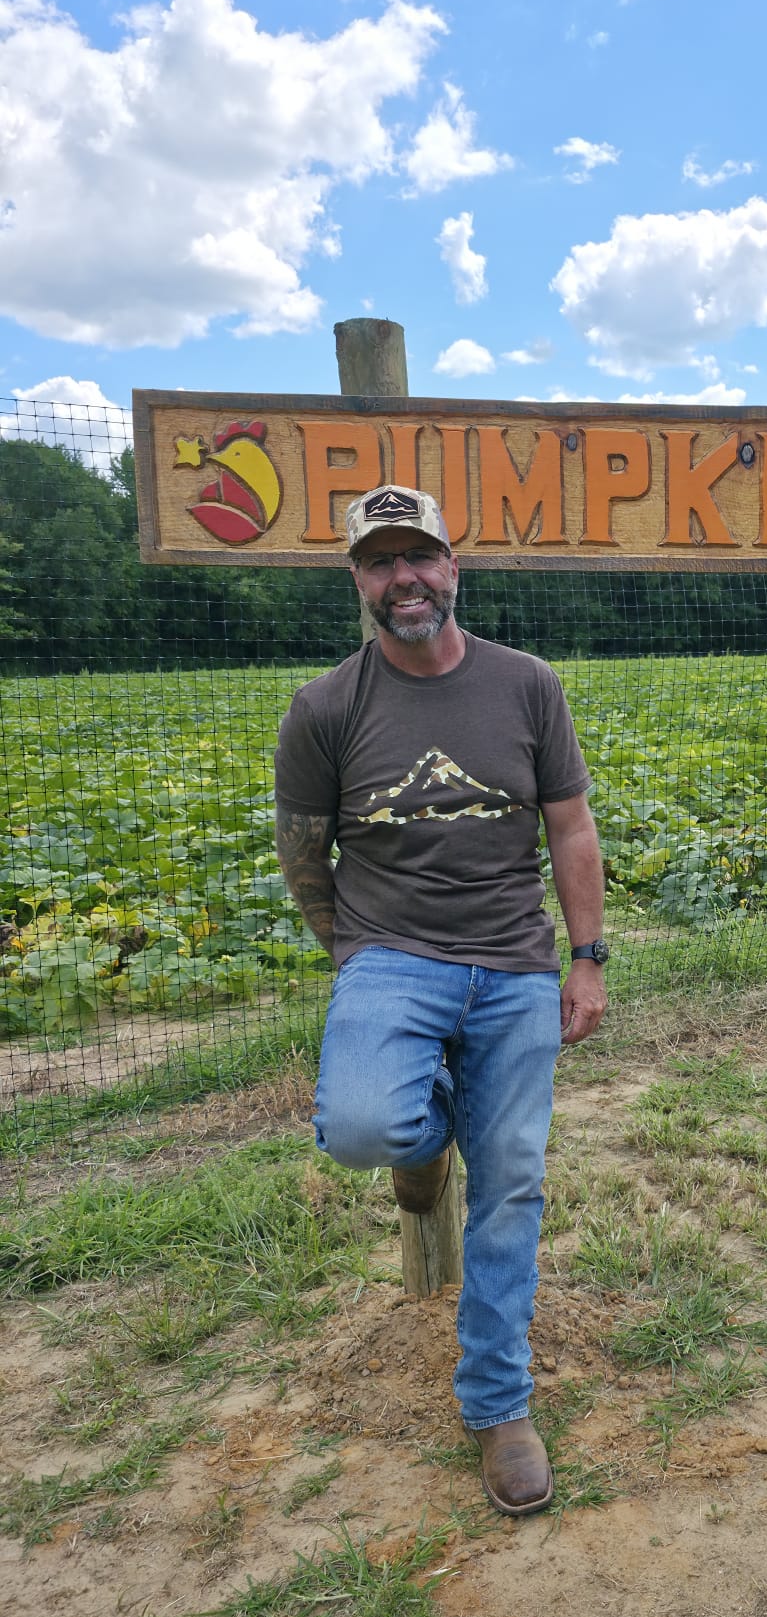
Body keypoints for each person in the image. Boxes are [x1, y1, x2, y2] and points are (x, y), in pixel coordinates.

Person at [273, 484, 608, 1516]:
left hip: (514, 961)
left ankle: (499, 1406)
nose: (404, 578)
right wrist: (355, 953)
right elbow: (301, 850)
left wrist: (586, 957)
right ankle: (418, 1151)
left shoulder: (526, 685)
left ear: (454, 569)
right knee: (366, 1126)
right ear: (359, 582)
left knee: (510, 1177)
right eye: (381, 562)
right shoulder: (325, 708)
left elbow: (571, 828)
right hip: (390, 954)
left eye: (421, 557)